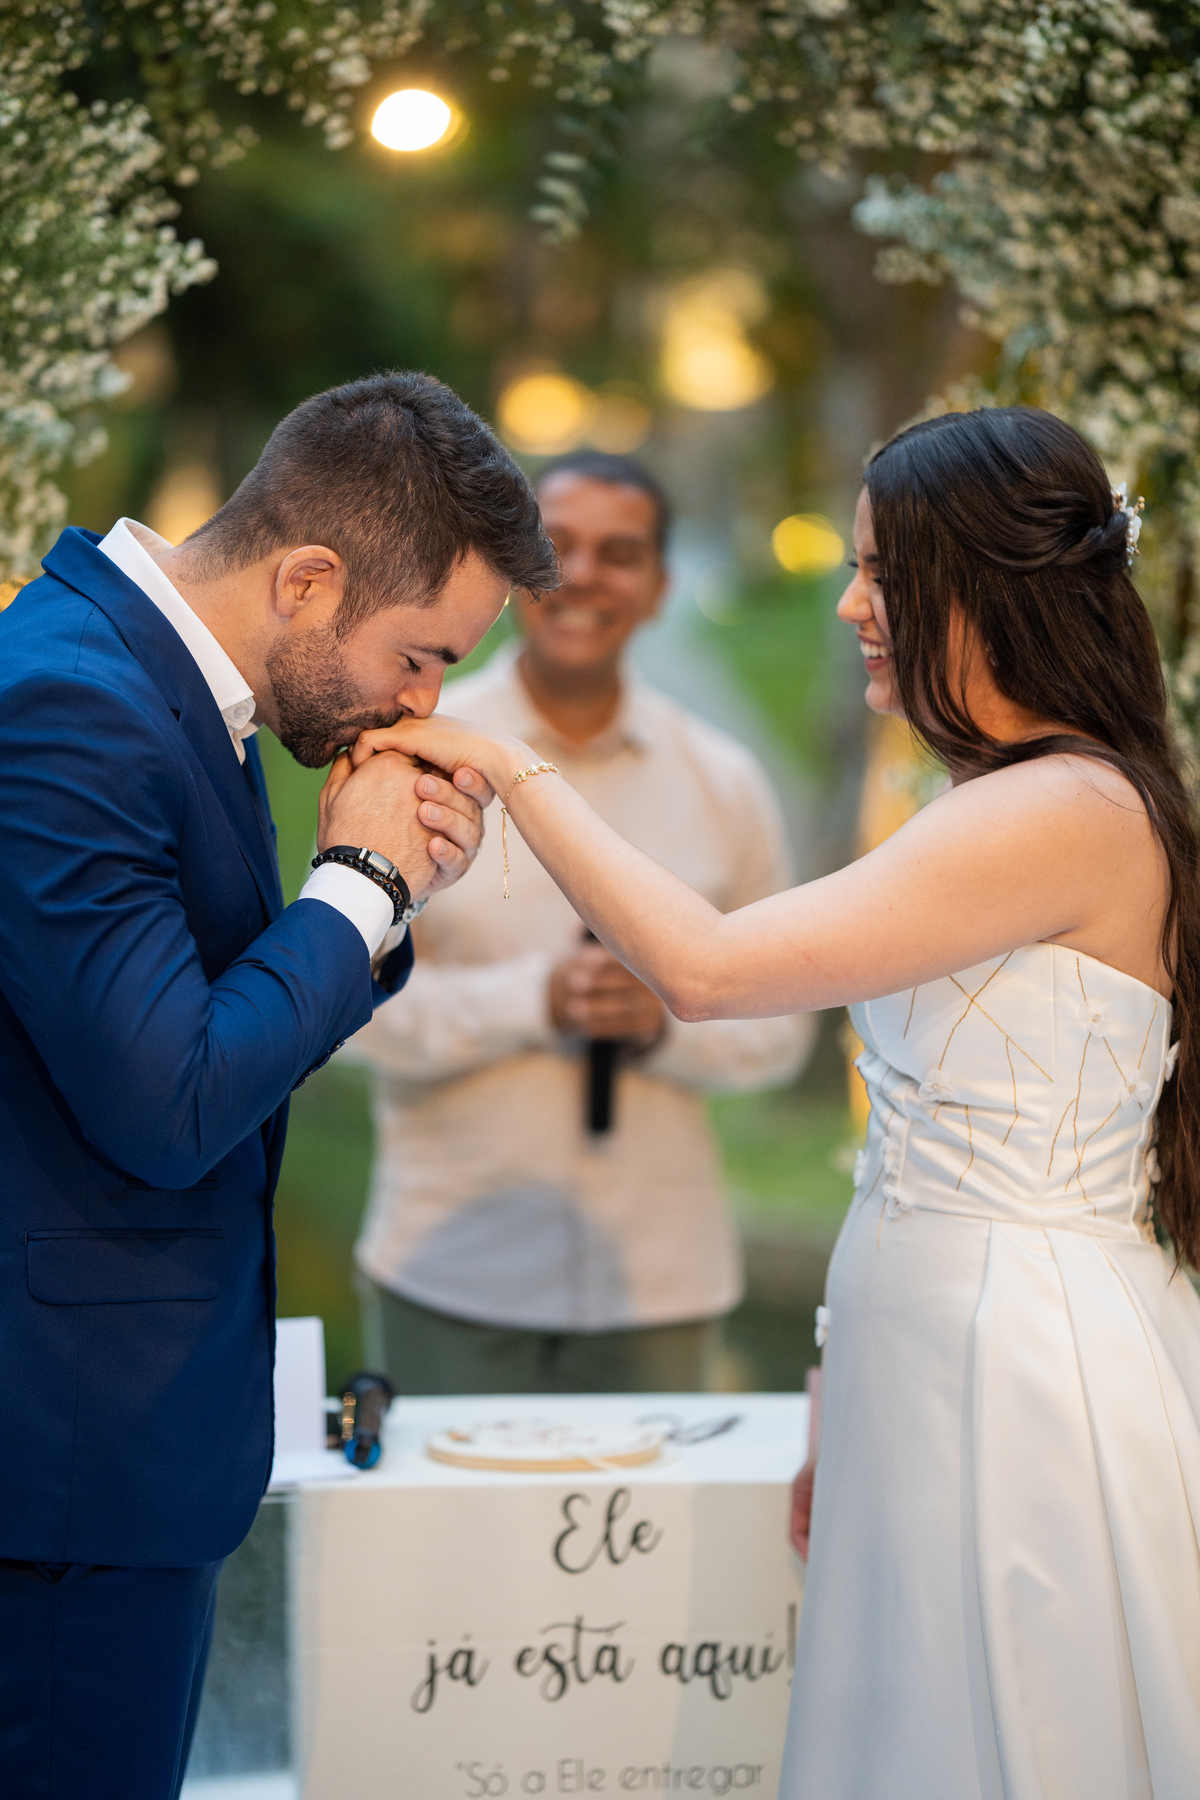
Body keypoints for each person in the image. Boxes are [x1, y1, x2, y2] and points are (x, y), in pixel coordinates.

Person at [350, 407, 1200, 1796]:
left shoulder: (1064, 809)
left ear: (983, 588)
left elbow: (707, 971)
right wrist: (836, 1385)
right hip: (928, 1357)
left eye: (883, 574)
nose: (853, 605)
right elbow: (918, 1145)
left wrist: (507, 766)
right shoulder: (1014, 799)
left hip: (1018, 1372)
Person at [0, 371, 556, 1800]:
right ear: (309, 580)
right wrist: (356, 883)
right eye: (420, 655)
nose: (423, 704)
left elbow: (201, 1025)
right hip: (65, 1467)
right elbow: (173, 1103)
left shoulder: (168, 686)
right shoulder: (73, 703)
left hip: (107, 1453)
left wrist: (373, 906)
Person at [347, 450, 810, 1395]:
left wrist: (663, 1020)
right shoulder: (414, 754)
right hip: (450, 1272)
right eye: (558, 547)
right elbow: (339, 1006)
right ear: (514, 572)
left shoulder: (724, 784)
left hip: (658, 1283)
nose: (585, 575)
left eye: (621, 553)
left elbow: (781, 1032)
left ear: (661, 587)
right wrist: (536, 1002)